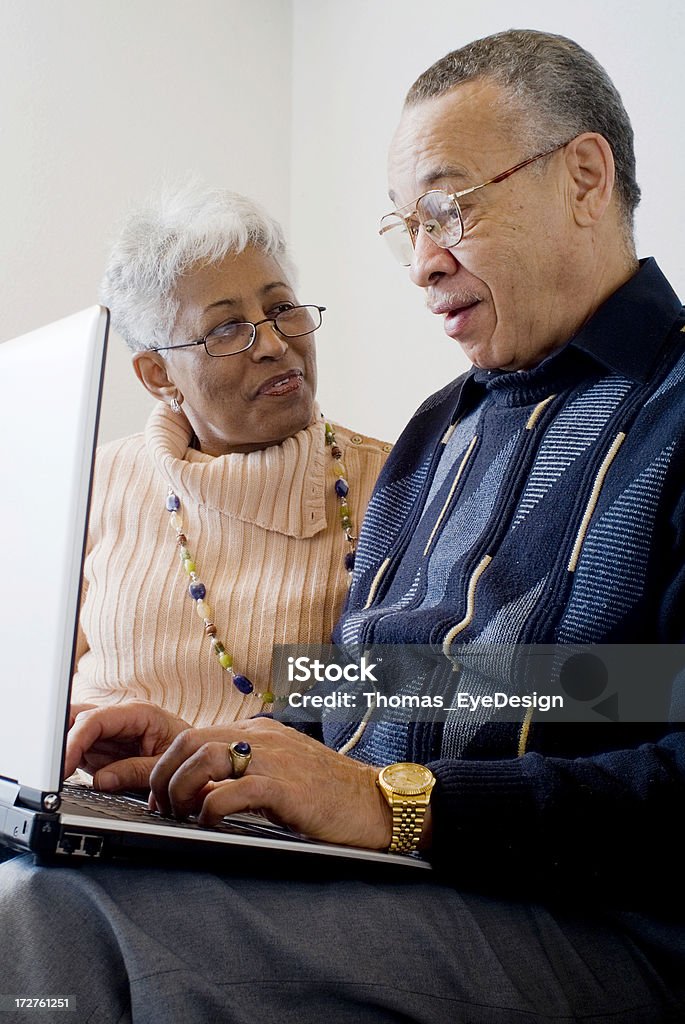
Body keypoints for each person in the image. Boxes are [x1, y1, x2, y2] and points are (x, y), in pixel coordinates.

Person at [2, 29, 685, 1024]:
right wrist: (220, 752)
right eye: (402, 226)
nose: (419, 262)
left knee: (49, 923)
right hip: (404, 882)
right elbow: (371, 690)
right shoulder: (436, 433)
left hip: (586, 914)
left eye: (446, 210)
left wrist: (396, 804)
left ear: (583, 175)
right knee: (43, 871)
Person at [71, 184, 389, 732]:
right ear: (158, 374)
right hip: (93, 798)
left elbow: (484, 687)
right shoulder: (94, 480)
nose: (272, 343)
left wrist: (243, 744)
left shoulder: (395, 479)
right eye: (225, 328)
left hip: (271, 813)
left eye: (281, 308)